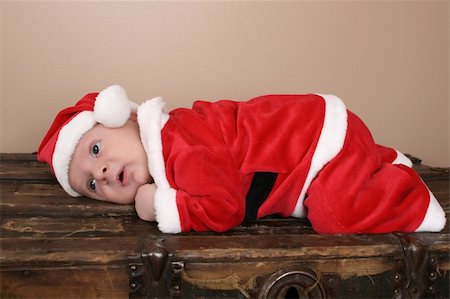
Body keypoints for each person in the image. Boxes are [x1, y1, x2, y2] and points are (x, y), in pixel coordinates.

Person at [38, 85, 446, 234]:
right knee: (321, 203)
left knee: (334, 217)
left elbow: (226, 208)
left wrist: (160, 205)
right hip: (308, 156)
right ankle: (371, 161)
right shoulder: (167, 151)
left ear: (126, 117)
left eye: (96, 150)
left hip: (320, 142)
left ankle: (404, 188)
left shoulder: (179, 143)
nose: (103, 172)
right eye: (92, 184)